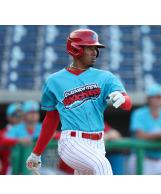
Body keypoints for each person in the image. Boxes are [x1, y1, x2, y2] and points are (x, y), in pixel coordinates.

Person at [26, 29, 132, 175]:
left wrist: (123, 99)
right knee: (102, 165)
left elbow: (128, 104)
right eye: (90, 47)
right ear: (76, 49)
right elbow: (51, 119)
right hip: (72, 141)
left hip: (98, 144)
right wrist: (36, 153)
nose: (95, 52)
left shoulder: (105, 77)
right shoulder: (54, 81)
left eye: (96, 48)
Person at [0, 103, 23, 175]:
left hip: (28, 169)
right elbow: (2, 142)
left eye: (21, 114)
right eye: (16, 114)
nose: (19, 117)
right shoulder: (3, 133)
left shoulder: (30, 131)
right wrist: (18, 141)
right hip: (8, 171)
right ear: (9, 117)